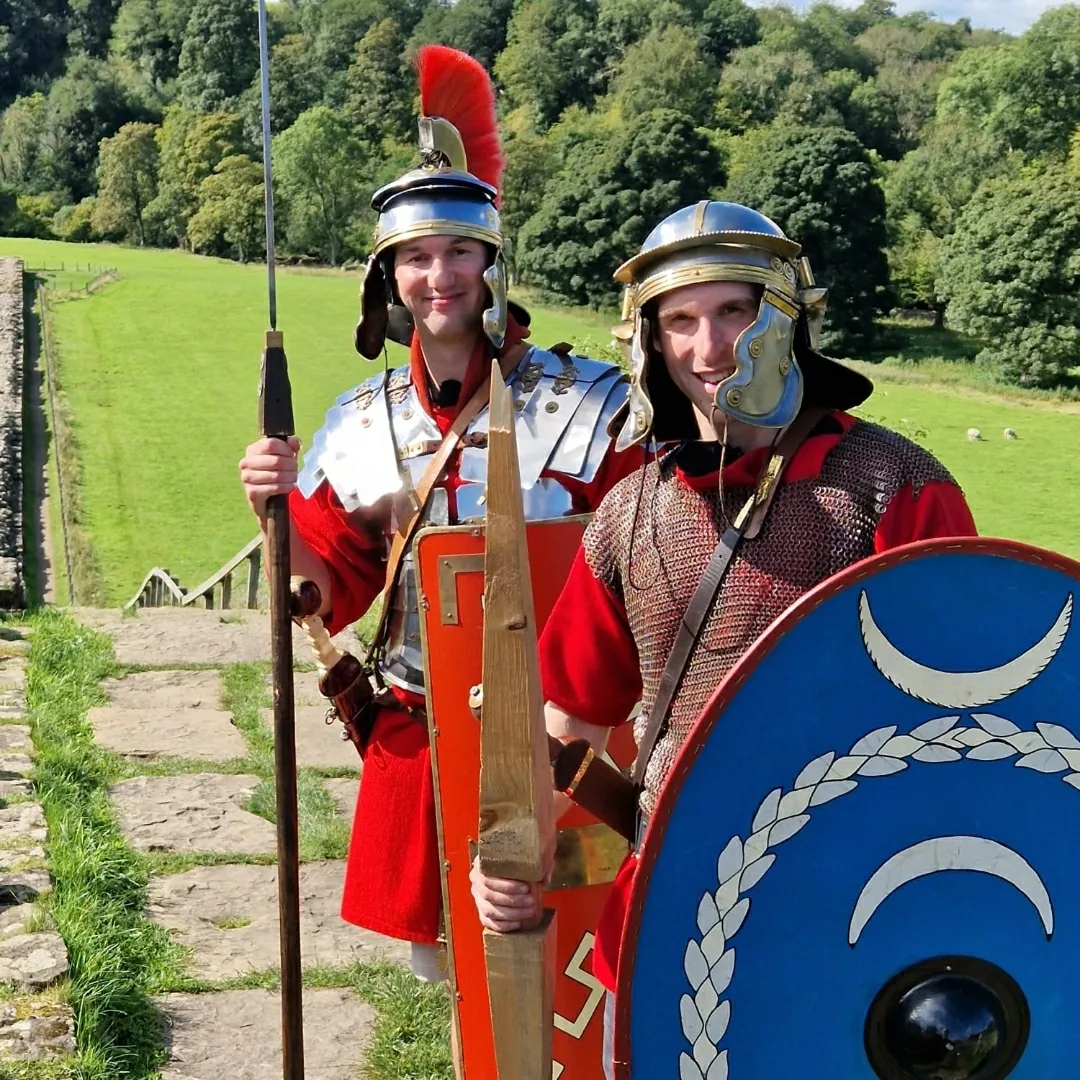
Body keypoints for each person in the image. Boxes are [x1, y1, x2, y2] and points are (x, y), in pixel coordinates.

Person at [467, 200, 978, 1076]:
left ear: (787, 319)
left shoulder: (893, 489)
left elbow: (966, 718)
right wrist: (516, 846)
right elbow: (574, 717)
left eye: (736, 311)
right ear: (652, 342)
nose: (711, 349)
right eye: (682, 320)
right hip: (673, 894)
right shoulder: (632, 512)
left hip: (859, 902)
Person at [238, 45, 639, 985]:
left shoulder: (595, 408)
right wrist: (274, 506)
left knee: (581, 955)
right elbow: (320, 582)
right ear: (389, 281)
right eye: (416, 257)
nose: (439, 276)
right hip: (422, 726)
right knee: (453, 976)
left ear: (492, 264)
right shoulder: (360, 423)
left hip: (566, 733)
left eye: (459, 251)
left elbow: (646, 562)